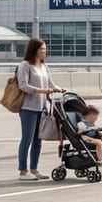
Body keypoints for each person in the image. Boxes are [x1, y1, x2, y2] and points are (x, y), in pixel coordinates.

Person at [16, 37, 66, 181]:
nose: (45, 51)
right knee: (27, 139)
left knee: (38, 139)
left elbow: (51, 83)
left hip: (42, 108)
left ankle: (34, 169)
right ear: (34, 50)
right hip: (28, 108)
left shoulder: (44, 66)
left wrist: (59, 89)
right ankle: (23, 171)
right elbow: (23, 86)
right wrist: (42, 91)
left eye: (45, 49)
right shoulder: (25, 65)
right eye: (42, 49)